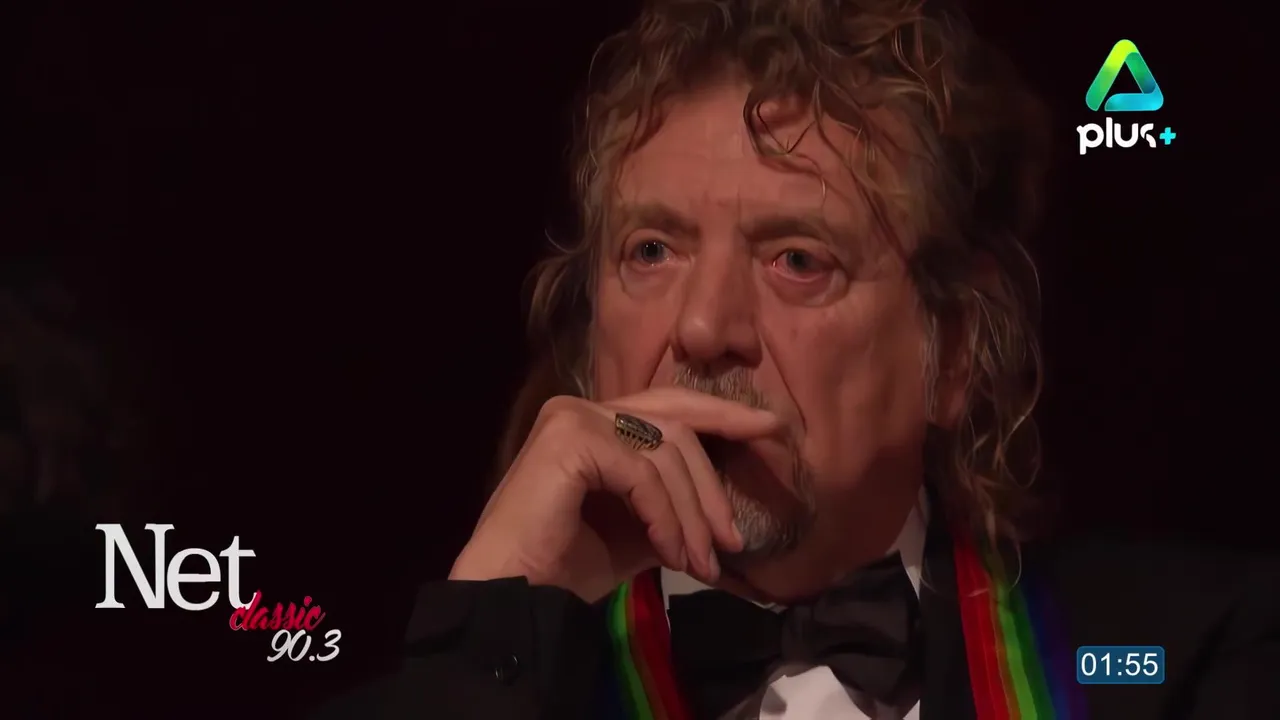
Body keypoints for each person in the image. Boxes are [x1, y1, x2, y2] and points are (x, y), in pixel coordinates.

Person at [315, 0, 1280, 717]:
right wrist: (493, 629)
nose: (703, 329)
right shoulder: (465, 695)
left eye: (797, 260)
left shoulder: (1193, 659)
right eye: (651, 250)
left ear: (953, 350)